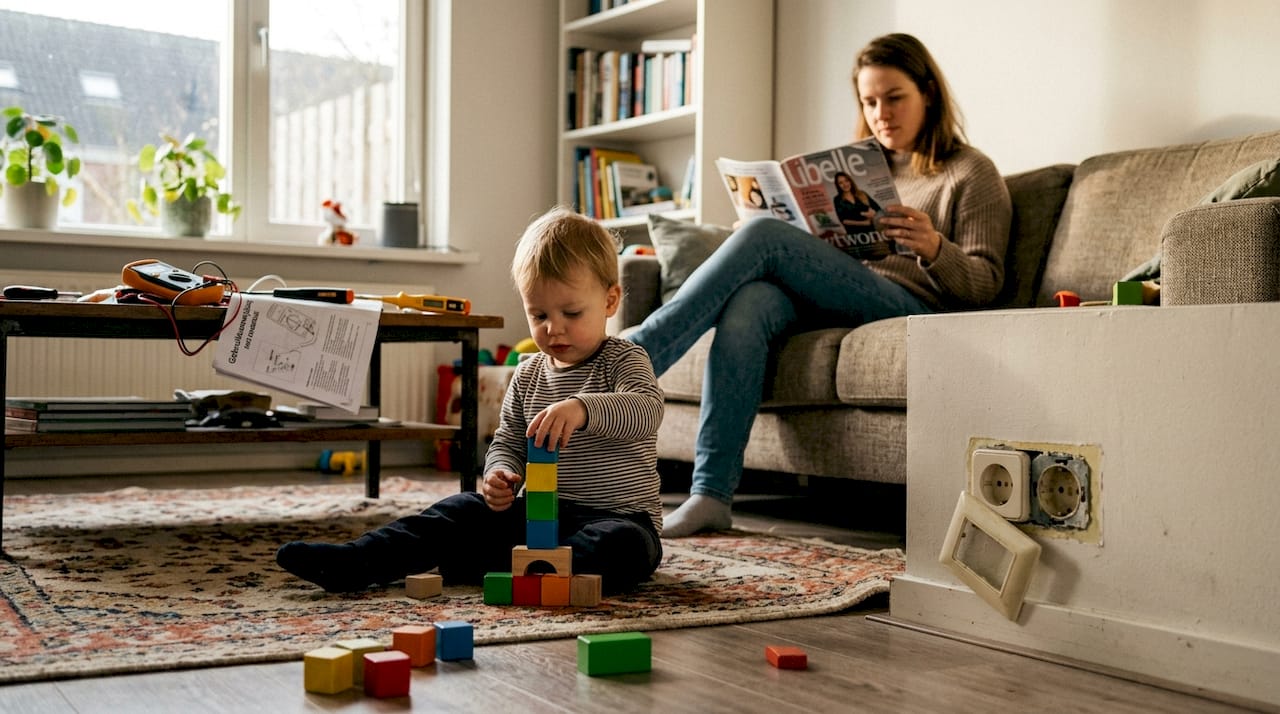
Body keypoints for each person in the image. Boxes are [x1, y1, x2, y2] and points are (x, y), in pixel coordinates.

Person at [628, 32, 1012, 537]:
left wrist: (934, 248)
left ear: (929, 94)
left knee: (763, 234)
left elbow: (986, 284)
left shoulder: (969, 172)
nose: (881, 113)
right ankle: (710, 494)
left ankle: (637, 352)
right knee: (750, 302)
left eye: (894, 98)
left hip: (912, 303)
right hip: (844, 293)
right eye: (869, 101)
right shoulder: (863, 168)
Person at [276, 207, 666, 593]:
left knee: (621, 547)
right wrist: (499, 474)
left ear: (611, 301)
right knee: (459, 509)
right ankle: (358, 560)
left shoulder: (624, 359)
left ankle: (523, 567)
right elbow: (509, 441)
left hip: (619, 517)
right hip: (537, 518)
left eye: (572, 312)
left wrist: (583, 408)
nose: (553, 327)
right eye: (538, 314)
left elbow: (647, 409)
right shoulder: (528, 373)